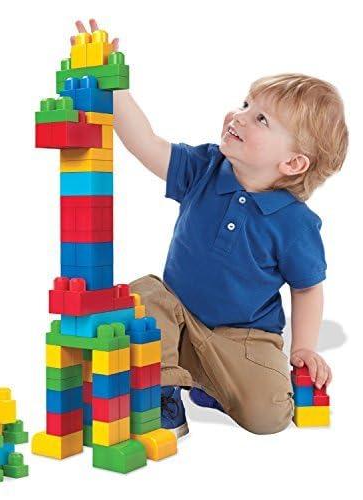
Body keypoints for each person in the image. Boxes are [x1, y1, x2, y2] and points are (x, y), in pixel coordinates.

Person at [72, 19, 348, 436]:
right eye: (244, 105)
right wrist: (113, 85)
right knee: (141, 297)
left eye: (261, 120)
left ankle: (210, 383)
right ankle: (163, 390)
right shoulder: (204, 169)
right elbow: (146, 142)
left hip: (244, 336)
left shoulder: (295, 224)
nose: (238, 117)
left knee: (269, 418)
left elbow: (307, 287)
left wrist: (304, 347)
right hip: (178, 316)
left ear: (292, 163)